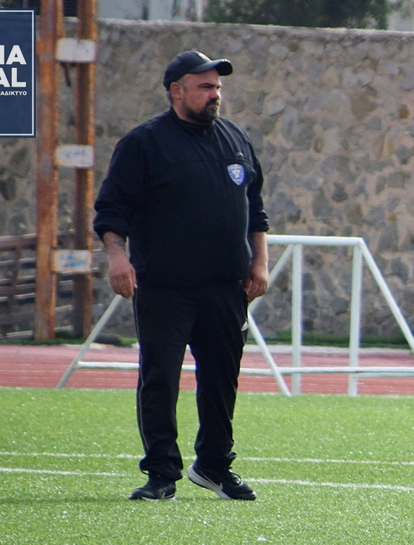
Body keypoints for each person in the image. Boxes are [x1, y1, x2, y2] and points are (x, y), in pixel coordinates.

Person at [94, 51, 269, 501]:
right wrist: (117, 257)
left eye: (218, 87)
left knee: (221, 380)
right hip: (165, 286)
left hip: (225, 286)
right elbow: (112, 209)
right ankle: (161, 474)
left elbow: (256, 209)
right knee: (161, 379)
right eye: (205, 87)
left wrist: (259, 262)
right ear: (176, 91)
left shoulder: (235, 139)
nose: (215, 95)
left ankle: (213, 466)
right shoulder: (144, 143)